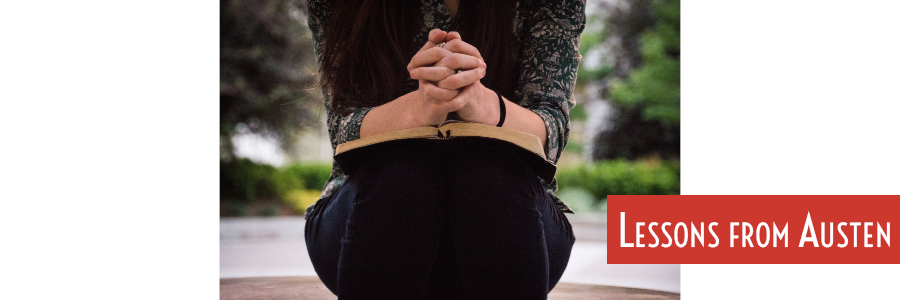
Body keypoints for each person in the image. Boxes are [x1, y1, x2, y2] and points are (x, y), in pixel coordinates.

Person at [303, 0, 585, 299]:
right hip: (368, 219)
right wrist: (420, 106)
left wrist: (481, 103)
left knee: (490, 179)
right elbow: (341, 130)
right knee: (401, 180)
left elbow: (551, 130)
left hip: (512, 218)